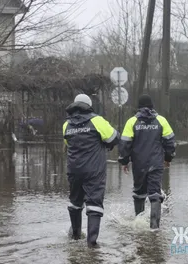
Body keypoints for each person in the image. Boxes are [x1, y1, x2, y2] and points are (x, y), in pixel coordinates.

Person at [62, 93, 120, 248]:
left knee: (75, 203)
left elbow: (67, 143)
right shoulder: (97, 120)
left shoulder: (66, 125)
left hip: (74, 170)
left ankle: (75, 236)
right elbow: (114, 137)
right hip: (94, 170)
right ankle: (91, 243)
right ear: (89, 106)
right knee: (94, 203)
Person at [118, 94, 176, 229]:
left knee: (139, 193)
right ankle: (154, 228)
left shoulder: (132, 122)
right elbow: (170, 142)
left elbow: (125, 144)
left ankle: (138, 224)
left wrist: (124, 161)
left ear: (138, 107)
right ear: (152, 106)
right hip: (156, 162)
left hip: (138, 164)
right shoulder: (161, 120)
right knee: (155, 193)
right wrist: (168, 158)